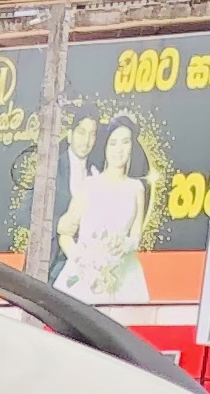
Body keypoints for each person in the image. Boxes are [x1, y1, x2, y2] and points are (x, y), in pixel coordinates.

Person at [54, 120, 149, 302]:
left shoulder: (137, 188)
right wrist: (83, 261)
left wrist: (125, 245)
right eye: (113, 143)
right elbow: (65, 235)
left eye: (125, 142)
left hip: (123, 275)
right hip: (84, 275)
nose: (119, 149)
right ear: (105, 147)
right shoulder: (89, 186)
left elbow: (136, 236)